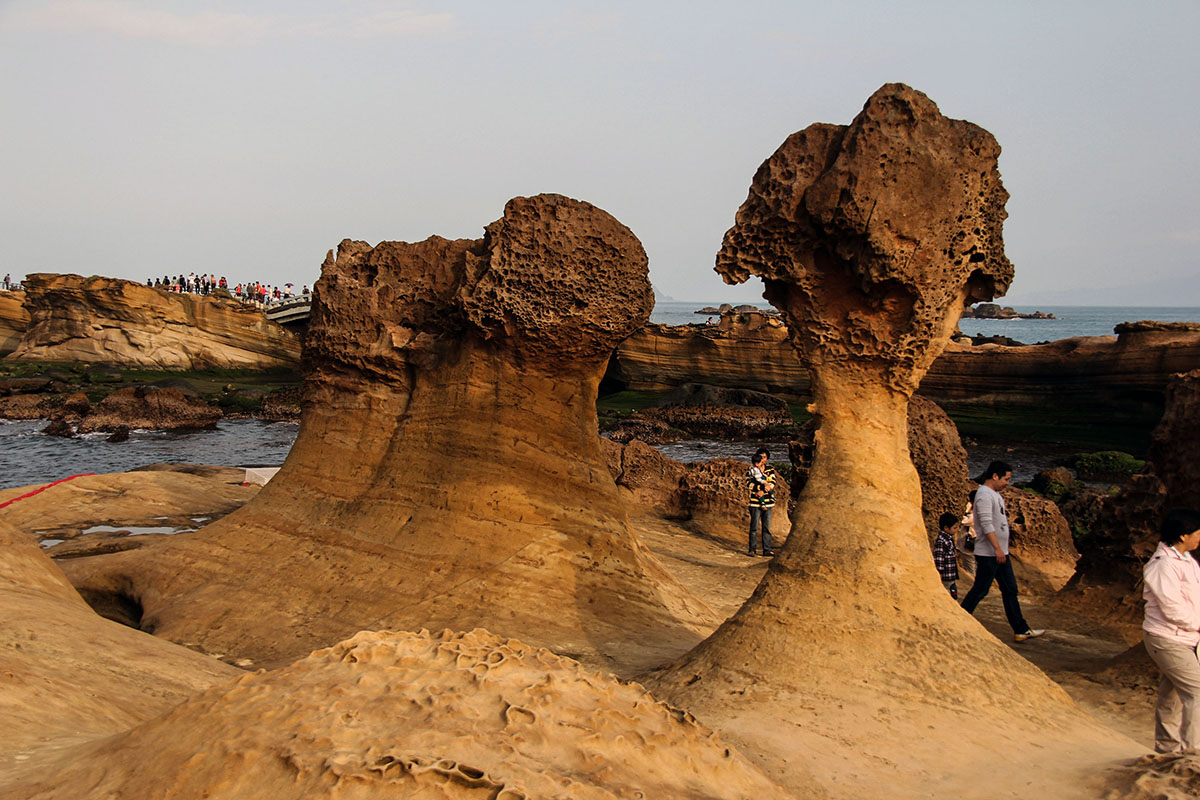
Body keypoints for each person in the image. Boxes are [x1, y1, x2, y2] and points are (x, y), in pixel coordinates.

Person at [960, 460, 1045, 642]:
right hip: (990, 553)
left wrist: (1002, 549)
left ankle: (1021, 629)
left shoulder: (994, 494)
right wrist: (997, 548)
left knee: (1010, 590)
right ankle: (959, 620)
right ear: (995, 476)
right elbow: (985, 523)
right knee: (981, 590)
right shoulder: (983, 495)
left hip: (1000, 552)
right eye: (1006, 479)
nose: (1008, 483)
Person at [1142, 507, 1200, 753]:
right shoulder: (1163, 564)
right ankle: (1193, 751)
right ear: (1184, 535)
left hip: (1183, 637)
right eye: (1197, 533)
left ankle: (1166, 747)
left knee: (1173, 693)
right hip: (1167, 638)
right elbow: (1171, 607)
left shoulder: (1187, 561)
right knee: (1196, 692)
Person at [746, 447, 777, 557]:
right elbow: (748, 484)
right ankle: (752, 549)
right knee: (754, 527)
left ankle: (767, 549)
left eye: (764, 457)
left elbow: (772, 482)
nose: (762, 459)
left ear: (767, 459)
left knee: (766, 527)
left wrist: (763, 491)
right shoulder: (751, 469)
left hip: (768, 502)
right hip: (755, 502)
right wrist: (759, 490)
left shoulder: (770, 469)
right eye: (760, 457)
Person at [933, 512, 960, 599]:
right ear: (946, 528)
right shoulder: (941, 541)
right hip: (946, 575)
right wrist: (939, 572)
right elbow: (939, 558)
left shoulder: (949, 539)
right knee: (947, 594)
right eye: (954, 528)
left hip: (950, 575)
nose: (957, 530)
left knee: (953, 593)